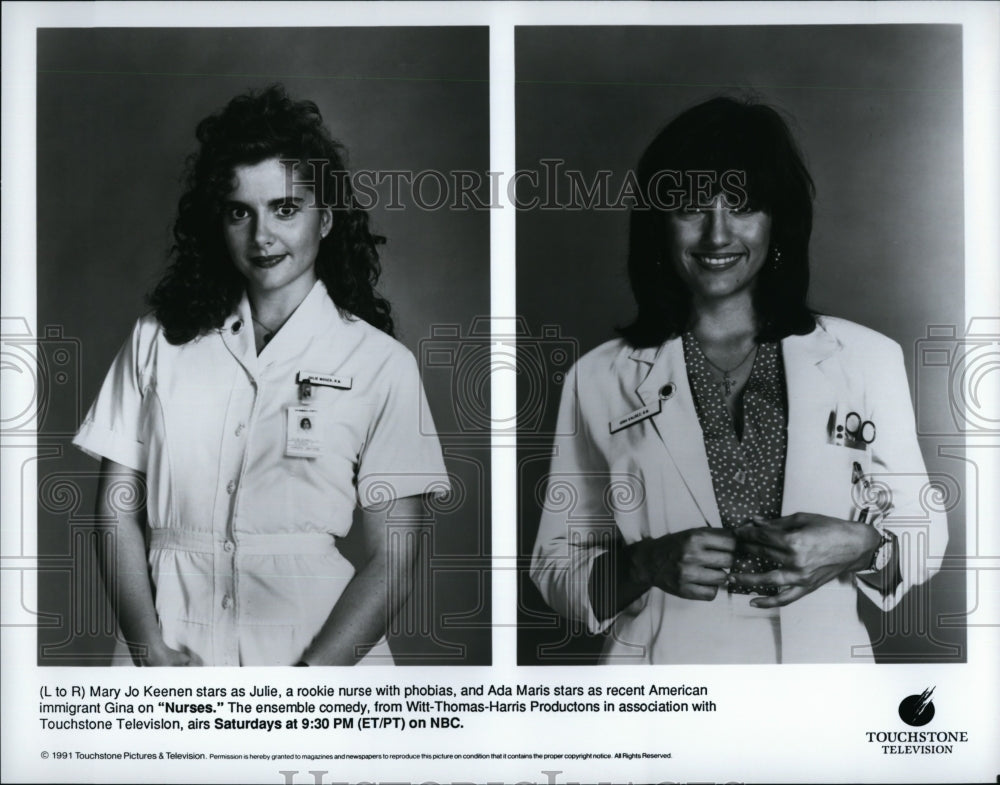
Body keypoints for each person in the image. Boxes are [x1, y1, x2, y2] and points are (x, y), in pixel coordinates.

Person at [530, 96, 948, 664]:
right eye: (692, 208)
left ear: (778, 219)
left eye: (743, 206)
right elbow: (556, 566)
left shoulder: (867, 358)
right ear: (659, 223)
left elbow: (925, 535)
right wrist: (642, 564)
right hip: (658, 688)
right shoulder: (599, 376)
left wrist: (862, 546)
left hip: (819, 690)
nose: (717, 234)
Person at [73, 85, 450, 666]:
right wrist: (147, 647)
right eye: (239, 212)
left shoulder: (381, 365)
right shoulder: (158, 341)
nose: (262, 236)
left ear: (325, 219)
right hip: (172, 651)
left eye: (285, 208)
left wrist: (314, 679)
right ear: (217, 224)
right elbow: (115, 509)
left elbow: (394, 556)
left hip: (321, 656)